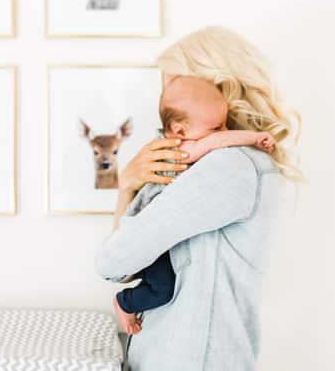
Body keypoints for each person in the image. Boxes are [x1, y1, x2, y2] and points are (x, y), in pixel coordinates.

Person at [95, 26, 302, 371]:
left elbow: (113, 263)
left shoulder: (230, 165)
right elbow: (127, 267)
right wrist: (128, 184)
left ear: (218, 86)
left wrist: (129, 187)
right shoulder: (227, 163)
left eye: (175, 83)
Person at [112, 75, 276, 334]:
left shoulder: (184, 142)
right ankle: (125, 302)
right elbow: (216, 142)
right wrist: (254, 138)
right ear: (179, 131)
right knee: (163, 288)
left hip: (156, 232)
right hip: (147, 227)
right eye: (217, 126)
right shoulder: (180, 149)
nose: (224, 132)